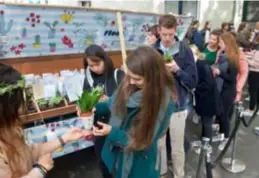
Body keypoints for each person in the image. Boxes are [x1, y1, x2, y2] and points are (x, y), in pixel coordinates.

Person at [0, 63, 89, 178]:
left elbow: (27, 152)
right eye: (18, 101)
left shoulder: (6, 126)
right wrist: (40, 170)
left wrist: (64, 138)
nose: (21, 107)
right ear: (4, 105)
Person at [89, 46, 176, 178]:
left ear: (153, 77)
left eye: (137, 79)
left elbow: (143, 141)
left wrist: (111, 132)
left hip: (138, 162)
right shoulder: (129, 82)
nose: (131, 81)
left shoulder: (163, 101)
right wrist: (94, 108)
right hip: (113, 155)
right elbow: (112, 102)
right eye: (129, 75)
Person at [154, 14, 198, 178]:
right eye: (164, 34)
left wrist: (177, 70)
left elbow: (193, 82)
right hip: (158, 107)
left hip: (178, 106)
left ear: (176, 31)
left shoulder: (184, 50)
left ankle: (179, 175)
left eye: (171, 35)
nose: (167, 38)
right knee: (159, 145)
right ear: (158, 30)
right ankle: (163, 173)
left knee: (177, 147)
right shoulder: (153, 50)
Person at [82, 44, 124, 178]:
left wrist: (109, 100)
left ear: (105, 59)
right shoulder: (88, 79)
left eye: (97, 64)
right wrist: (85, 107)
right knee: (103, 163)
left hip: (116, 126)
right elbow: (86, 100)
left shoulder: (118, 75)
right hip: (98, 127)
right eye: (91, 66)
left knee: (119, 163)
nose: (94, 68)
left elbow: (127, 101)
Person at [212, 32, 240, 151]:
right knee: (220, 114)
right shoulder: (223, 55)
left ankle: (226, 138)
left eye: (221, 42)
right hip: (221, 89)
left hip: (227, 91)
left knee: (224, 116)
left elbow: (232, 78)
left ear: (227, 43)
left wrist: (219, 73)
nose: (219, 44)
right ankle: (222, 134)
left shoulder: (233, 59)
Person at [191, 45, 220, 150]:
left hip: (208, 99)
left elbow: (208, 83)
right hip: (204, 98)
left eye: (192, 53)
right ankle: (204, 141)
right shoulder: (196, 64)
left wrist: (195, 88)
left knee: (207, 123)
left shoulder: (202, 65)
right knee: (204, 121)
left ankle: (207, 146)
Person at [243, 35, 259, 116]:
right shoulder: (257, 50)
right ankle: (257, 108)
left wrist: (246, 60)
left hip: (255, 72)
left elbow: (257, 64)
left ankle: (251, 109)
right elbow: (255, 55)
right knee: (257, 90)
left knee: (253, 91)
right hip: (257, 72)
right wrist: (249, 55)